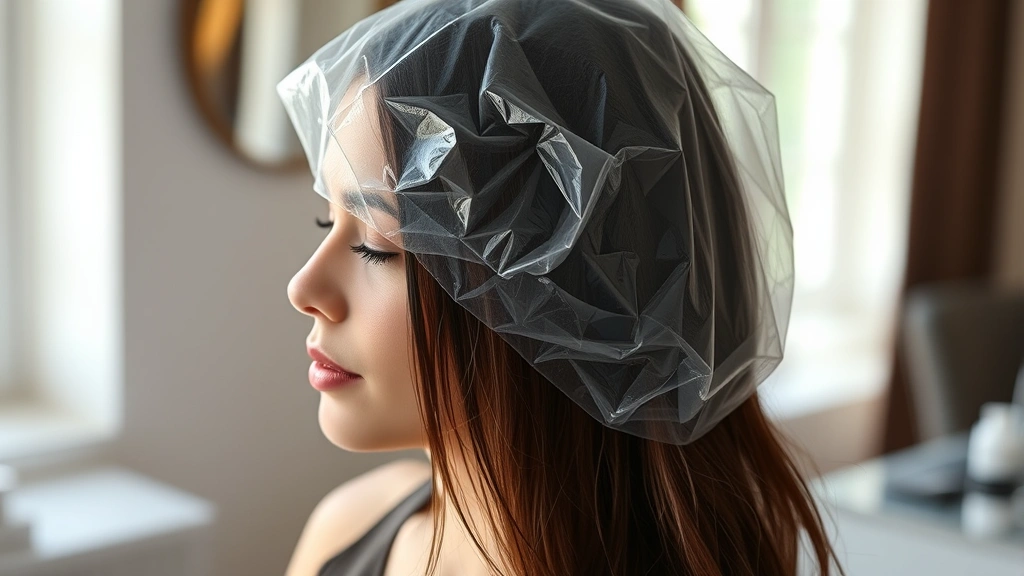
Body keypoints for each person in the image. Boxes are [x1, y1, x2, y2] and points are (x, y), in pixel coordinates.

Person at [281, 0, 844, 574]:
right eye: (329, 220)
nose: (303, 287)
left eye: (379, 243)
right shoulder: (345, 528)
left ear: (558, 300)